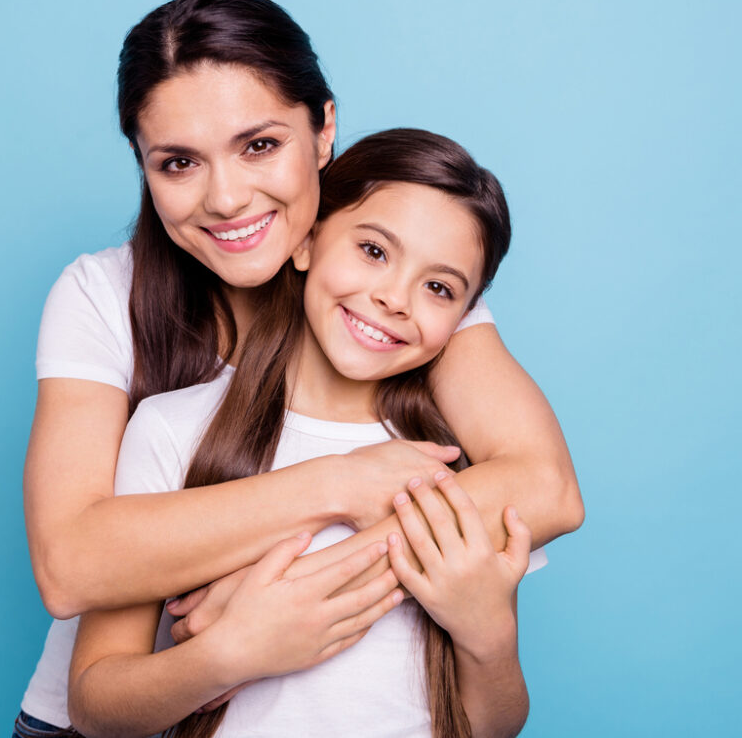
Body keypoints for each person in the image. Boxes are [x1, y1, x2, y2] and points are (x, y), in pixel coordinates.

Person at [15, 0, 583, 737]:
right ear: (143, 166)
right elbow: (71, 564)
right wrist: (339, 490)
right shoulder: (104, 299)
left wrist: (299, 591)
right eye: (179, 163)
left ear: (323, 130)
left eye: (260, 145)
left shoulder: (393, 288)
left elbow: (545, 486)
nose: (226, 198)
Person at [69, 129, 542, 738]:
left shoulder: (460, 464)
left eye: (439, 287)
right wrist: (227, 654)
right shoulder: (172, 430)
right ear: (306, 244)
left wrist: (490, 637)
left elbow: (492, 726)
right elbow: (94, 703)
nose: (394, 298)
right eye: (374, 251)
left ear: (464, 318)